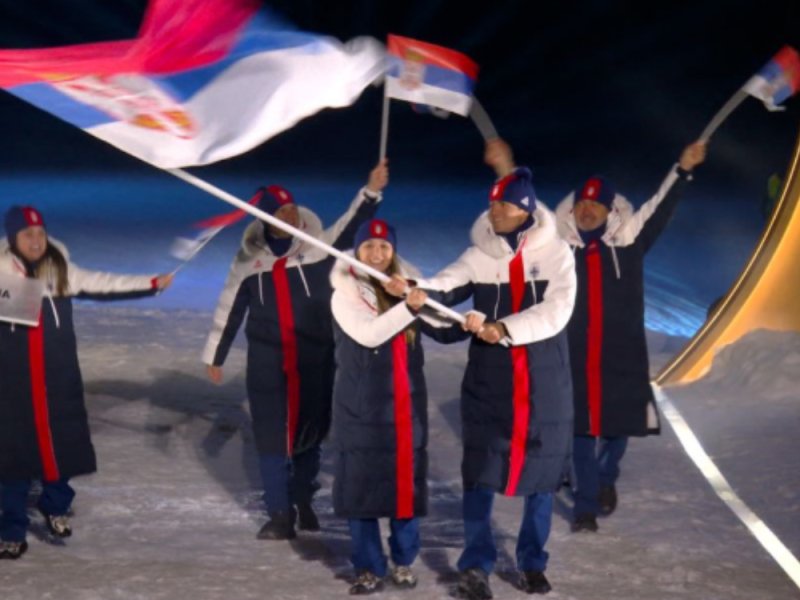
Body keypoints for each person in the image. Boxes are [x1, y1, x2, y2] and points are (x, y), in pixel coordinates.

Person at [485, 138, 708, 533]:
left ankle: (606, 479)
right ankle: (586, 504)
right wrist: (506, 167)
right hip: (574, 353)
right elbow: (527, 213)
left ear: (610, 209)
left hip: (621, 355)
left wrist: (683, 167)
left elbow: (662, 205)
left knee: (618, 425)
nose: (587, 209)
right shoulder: (558, 246)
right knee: (581, 429)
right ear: (573, 210)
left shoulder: (630, 240)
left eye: (596, 204)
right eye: (581, 204)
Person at [411, 167, 577, 598]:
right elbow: (443, 288)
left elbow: (558, 310)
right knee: (481, 473)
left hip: (543, 381)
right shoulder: (479, 254)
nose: (494, 211)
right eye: (491, 203)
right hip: (490, 381)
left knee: (540, 475)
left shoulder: (557, 253)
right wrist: (415, 291)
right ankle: (476, 565)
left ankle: (532, 562)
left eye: (503, 204)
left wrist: (503, 328)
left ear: (524, 209)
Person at [203, 161, 387, 540]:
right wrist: (215, 354)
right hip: (268, 365)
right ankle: (280, 515)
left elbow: (351, 225)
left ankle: (303, 499)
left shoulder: (318, 250)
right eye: (280, 211)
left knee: (309, 435)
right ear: (265, 218)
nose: (289, 215)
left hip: (314, 359)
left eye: (291, 209)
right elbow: (229, 308)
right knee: (272, 439)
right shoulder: (248, 263)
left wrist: (370, 191)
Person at [0, 205, 173, 560]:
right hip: (13, 384)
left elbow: (102, 282)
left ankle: (56, 506)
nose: (36, 240)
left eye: (40, 233)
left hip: (57, 376)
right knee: (13, 458)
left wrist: (150, 283)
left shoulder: (59, 267)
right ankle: (12, 528)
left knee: (62, 444)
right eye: (27, 234)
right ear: (13, 238)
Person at [330, 218, 468, 595]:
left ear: (393, 253)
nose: (376, 254)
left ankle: (404, 561)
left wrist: (469, 323)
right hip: (361, 408)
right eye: (369, 246)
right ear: (357, 251)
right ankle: (368, 567)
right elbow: (369, 333)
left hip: (405, 406)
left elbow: (442, 327)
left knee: (404, 489)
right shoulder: (344, 293)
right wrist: (409, 306)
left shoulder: (406, 288)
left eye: (384, 247)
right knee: (361, 491)